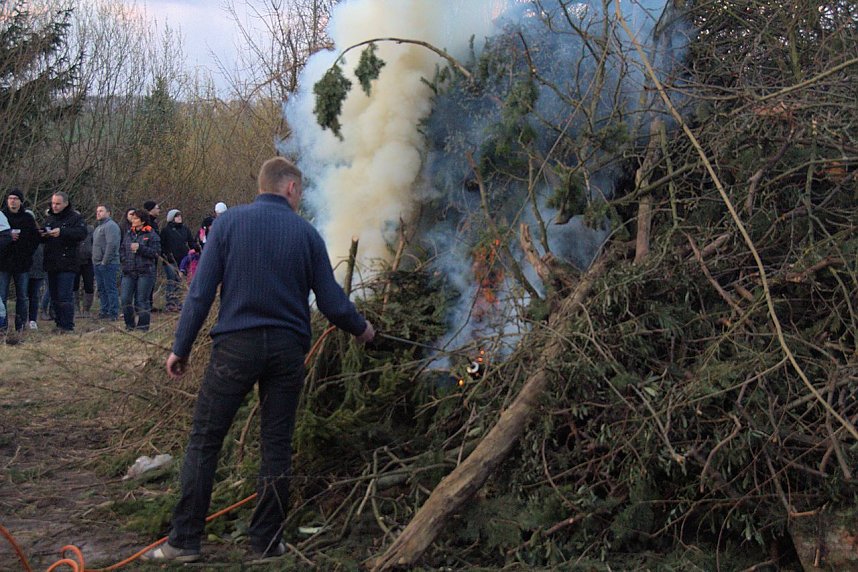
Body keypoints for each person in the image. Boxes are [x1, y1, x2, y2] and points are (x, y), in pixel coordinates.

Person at [143, 157, 374, 563]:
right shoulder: (306, 234)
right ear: (289, 188)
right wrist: (365, 330)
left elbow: (200, 293)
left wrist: (180, 347)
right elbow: (333, 303)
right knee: (276, 446)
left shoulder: (229, 224)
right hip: (287, 351)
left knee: (205, 440)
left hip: (236, 346)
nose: (300, 198)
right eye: (300, 191)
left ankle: (184, 542)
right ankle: (266, 543)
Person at [41, 192, 87, 332]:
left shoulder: (75, 218)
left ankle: (67, 325)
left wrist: (62, 232)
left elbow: (81, 233)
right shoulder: (50, 219)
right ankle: (59, 323)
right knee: (54, 296)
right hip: (51, 262)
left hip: (67, 263)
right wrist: (42, 234)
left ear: (65, 203)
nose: (54, 206)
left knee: (65, 296)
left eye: (58, 203)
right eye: (53, 203)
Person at [0, 189, 39, 334]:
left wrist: (26, 252)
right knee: (1, 296)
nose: (12, 201)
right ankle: (2, 326)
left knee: (22, 296)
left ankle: (20, 324)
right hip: (3, 262)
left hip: (22, 263)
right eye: (10, 198)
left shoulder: (27, 218)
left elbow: (35, 239)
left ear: (20, 201)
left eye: (15, 198)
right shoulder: (2, 216)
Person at [119, 209, 160, 331]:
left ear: (142, 221)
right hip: (129, 271)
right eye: (132, 217)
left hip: (145, 272)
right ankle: (129, 325)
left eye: (136, 218)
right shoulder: (128, 234)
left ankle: (143, 327)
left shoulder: (151, 234)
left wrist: (141, 248)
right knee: (125, 299)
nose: (133, 220)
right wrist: (124, 260)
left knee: (142, 300)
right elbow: (122, 249)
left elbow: (156, 253)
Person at [160, 209, 197, 311]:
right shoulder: (166, 231)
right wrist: (166, 255)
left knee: (180, 282)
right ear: (172, 218)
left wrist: (196, 249)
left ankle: (178, 302)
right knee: (171, 281)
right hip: (170, 260)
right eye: (177, 216)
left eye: (180, 215)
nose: (179, 217)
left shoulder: (185, 229)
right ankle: (170, 303)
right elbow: (162, 245)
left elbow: (191, 242)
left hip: (183, 260)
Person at [92, 204, 121, 320]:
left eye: (101, 211)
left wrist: (105, 261)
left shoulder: (111, 226)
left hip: (108, 264)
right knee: (101, 289)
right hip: (97, 263)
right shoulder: (98, 228)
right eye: (97, 211)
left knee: (110, 288)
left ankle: (113, 312)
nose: (98, 213)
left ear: (108, 213)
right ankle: (104, 311)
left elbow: (112, 245)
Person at [73, 220, 95, 318]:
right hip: (74, 261)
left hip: (88, 261)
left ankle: (86, 309)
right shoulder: (71, 230)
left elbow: (94, 243)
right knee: (74, 286)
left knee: (89, 285)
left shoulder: (90, 229)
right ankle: (76, 308)